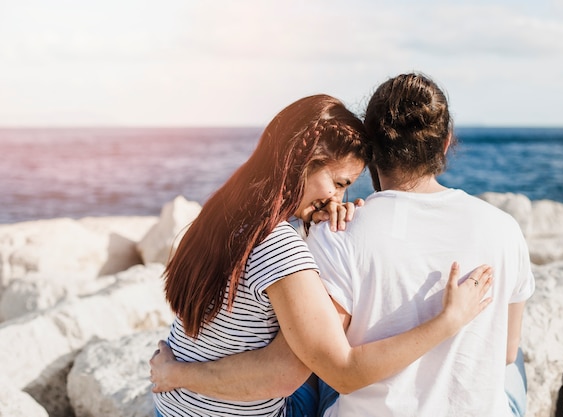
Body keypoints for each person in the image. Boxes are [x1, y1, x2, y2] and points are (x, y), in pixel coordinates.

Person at [151, 93, 493, 417]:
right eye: (340, 183)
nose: (337, 199)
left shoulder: (227, 212)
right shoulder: (279, 245)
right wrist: (448, 321)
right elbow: (327, 373)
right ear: (303, 160)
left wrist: (316, 230)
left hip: (173, 407)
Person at [304, 72, 536, 416]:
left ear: (370, 150)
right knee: (514, 365)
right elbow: (505, 352)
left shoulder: (340, 232)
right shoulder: (505, 228)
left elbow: (332, 366)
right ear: (445, 143)